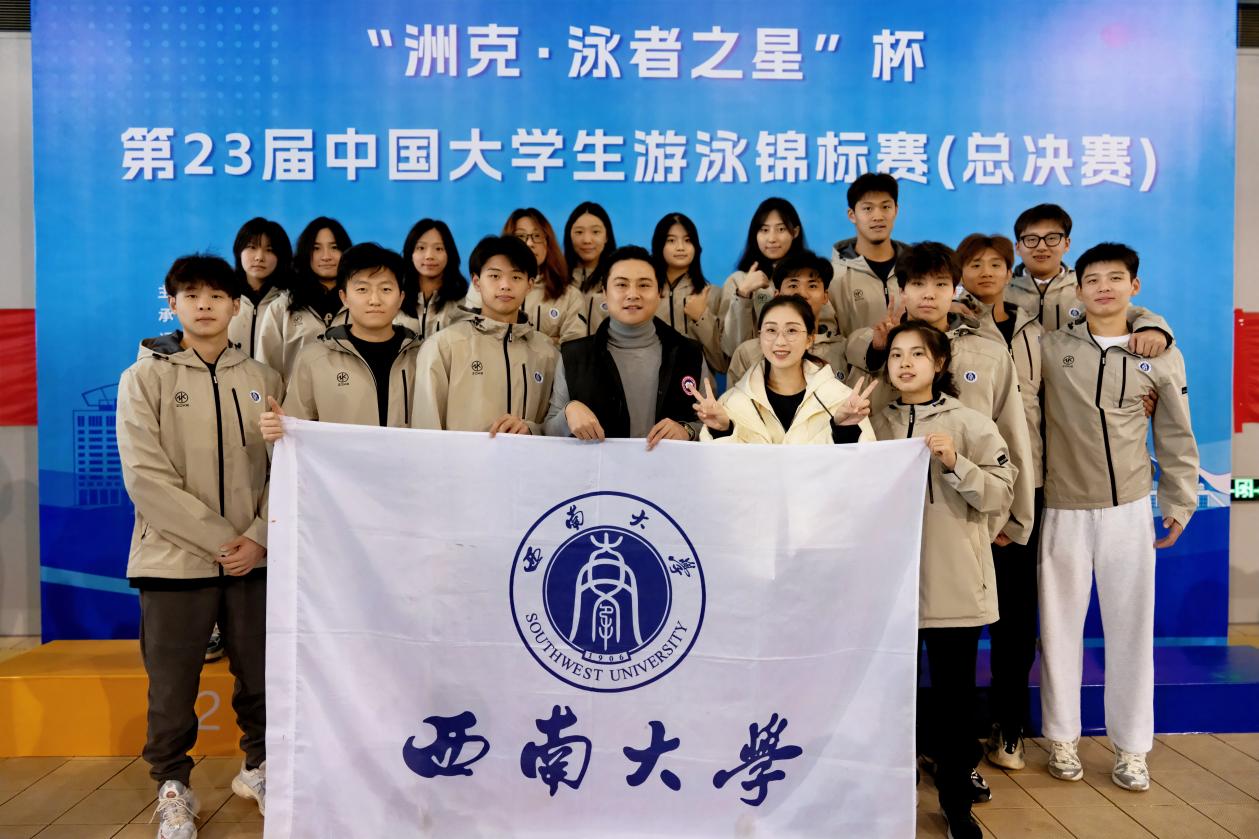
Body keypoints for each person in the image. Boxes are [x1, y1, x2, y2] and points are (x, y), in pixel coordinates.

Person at [116, 255, 279, 839]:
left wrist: (258, 538)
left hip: (253, 561)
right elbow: (145, 476)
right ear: (173, 304)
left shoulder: (264, 378)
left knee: (261, 678)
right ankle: (172, 786)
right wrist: (221, 541)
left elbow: (284, 467)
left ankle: (261, 768)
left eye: (216, 295)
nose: (204, 304)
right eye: (191, 295)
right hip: (172, 560)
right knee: (172, 685)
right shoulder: (143, 378)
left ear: (237, 305)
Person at [1039, 243, 1199, 792]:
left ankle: (1132, 749)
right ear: (1078, 289)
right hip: (1062, 506)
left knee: (1131, 630)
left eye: (1115, 278)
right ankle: (1062, 737)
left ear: (1135, 286)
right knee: (1058, 630)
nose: (1103, 287)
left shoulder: (1159, 353)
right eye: (1092, 279)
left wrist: (1178, 501)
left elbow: (1175, 430)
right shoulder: (1052, 346)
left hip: (1128, 508)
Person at [871, 322, 1016, 839]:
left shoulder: (970, 423)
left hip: (955, 587)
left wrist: (956, 464)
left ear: (939, 364)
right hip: (888, 593)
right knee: (889, 701)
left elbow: (1001, 495)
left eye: (917, 354)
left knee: (955, 706)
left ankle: (956, 804)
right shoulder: (872, 425)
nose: (905, 363)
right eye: (896, 355)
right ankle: (889, 799)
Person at [954, 233, 1045, 769]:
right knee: (956, 625)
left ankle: (1009, 726)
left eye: (995, 264)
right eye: (974, 264)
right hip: (960, 494)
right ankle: (951, 738)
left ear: (1010, 271)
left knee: (1014, 620)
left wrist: (1018, 514)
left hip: (1022, 487)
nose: (985, 272)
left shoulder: (1034, 325)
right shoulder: (946, 331)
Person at [544, 245, 710, 448]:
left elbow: (710, 424)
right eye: (621, 284)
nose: (632, 294)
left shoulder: (689, 353)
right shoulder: (574, 355)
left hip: (669, 468)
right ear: (604, 292)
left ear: (660, 292)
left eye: (644, 285)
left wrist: (687, 430)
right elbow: (549, 429)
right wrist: (568, 412)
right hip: (598, 469)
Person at [259, 243, 421, 440]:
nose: (374, 300)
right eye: (362, 289)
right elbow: (294, 433)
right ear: (344, 297)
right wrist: (280, 430)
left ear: (401, 298)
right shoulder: (313, 359)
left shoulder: (422, 358)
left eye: (386, 289)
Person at [412, 235, 558, 434]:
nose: (505, 285)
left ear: (530, 285)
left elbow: (556, 425)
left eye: (516, 277)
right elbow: (425, 431)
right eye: (495, 276)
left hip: (528, 456)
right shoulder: (443, 347)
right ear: (477, 282)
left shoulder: (548, 353)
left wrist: (532, 429)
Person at [694, 295, 876, 444]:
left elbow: (861, 466)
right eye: (771, 330)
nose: (780, 341)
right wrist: (722, 431)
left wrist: (844, 431)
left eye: (792, 331)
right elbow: (723, 469)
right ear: (760, 337)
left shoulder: (840, 398)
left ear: (810, 339)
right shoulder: (731, 403)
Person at [1007, 203, 1173, 359]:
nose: (1041, 247)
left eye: (1051, 238)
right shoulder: (1002, 290)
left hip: (1074, 375)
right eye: (1031, 239)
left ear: (1066, 244)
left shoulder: (1086, 286)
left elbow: (1129, 313)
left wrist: (1153, 328)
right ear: (1018, 247)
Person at [726, 250, 848, 385]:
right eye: (793, 285)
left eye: (812, 286)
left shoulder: (844, 351)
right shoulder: (748, 353)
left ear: (825, 296)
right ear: (777, 295)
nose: (802, 293)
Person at [256, 217, 352, 384]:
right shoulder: (282, 307)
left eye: (334, 247)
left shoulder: (361, 303)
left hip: (352, 399)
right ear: (306, 252)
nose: (326, 256)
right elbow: (265, 371)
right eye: (316, 248)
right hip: (298, 400)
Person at [719, 197, 813, 357]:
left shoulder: (811, 278)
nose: (772, 238)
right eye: (764, 230)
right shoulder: (737, 281)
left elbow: (825, 334)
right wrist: (743, 293)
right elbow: (731, 348)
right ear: (754, 234)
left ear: (795, 232)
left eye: (781, 229)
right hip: (751, 370)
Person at [828, 172, 907, 337]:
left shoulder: (917, 267)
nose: (878, 217)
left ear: (896, 210)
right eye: (868, 208)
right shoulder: (833, 276)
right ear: (852, 215)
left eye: (885, 207)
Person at [649, 212, 726, 372]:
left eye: (688, 240)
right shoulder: (646, 295)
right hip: (651, 383)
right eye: (671, 240)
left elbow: (722, 364)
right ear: (659, 245)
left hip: (699, 384)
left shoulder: (713, 294)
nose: (680, 247)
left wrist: (701, 317)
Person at [506, 207, 587, 344]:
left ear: (548, 242)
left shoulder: (570, 296)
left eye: (537, 236)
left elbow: (574, 348)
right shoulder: (490, 289)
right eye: (520, 236)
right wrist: (552, 341)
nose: (529, 243)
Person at [228, 217, 292, 358]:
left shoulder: (290, 302)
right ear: (239, 251)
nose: (259, 257)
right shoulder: (223, 297)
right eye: (252, 247)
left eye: (269, 250)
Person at [397, 219, 468, 339]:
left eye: (438, 248)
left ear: (449, 254)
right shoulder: (396, 300)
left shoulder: (464, 303)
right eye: (421, 248)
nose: (429, 256)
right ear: (410, 254)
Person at [564, 202, 617, 336]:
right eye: (579, 232)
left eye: (595, 232)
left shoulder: (618, 279)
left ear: (607, 236)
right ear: (569, 235)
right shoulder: (556, 279)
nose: (587, 240)